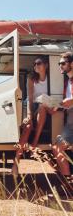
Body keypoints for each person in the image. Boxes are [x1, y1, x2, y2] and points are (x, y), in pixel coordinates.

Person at [12, 56, 55, 174]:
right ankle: (16, 163)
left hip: (43, 107)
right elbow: (30, 99)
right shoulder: (31, 78)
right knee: (27, 127)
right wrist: (29, 116)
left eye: (39, 63)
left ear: (46, 65)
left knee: (42, 107)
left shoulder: (52, 79)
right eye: (34, 64)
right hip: (30, 105)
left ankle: (34, 143)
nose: (36, 66)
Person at [52, 52, 73, 186]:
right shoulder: (68, 81)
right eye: (59, 63)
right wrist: (57, 105)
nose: (60, 66)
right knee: (57, 147)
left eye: (63, 63)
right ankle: (68, 184)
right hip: (70, 121)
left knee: (58, 147)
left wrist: (70, 100)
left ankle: (68, 184)